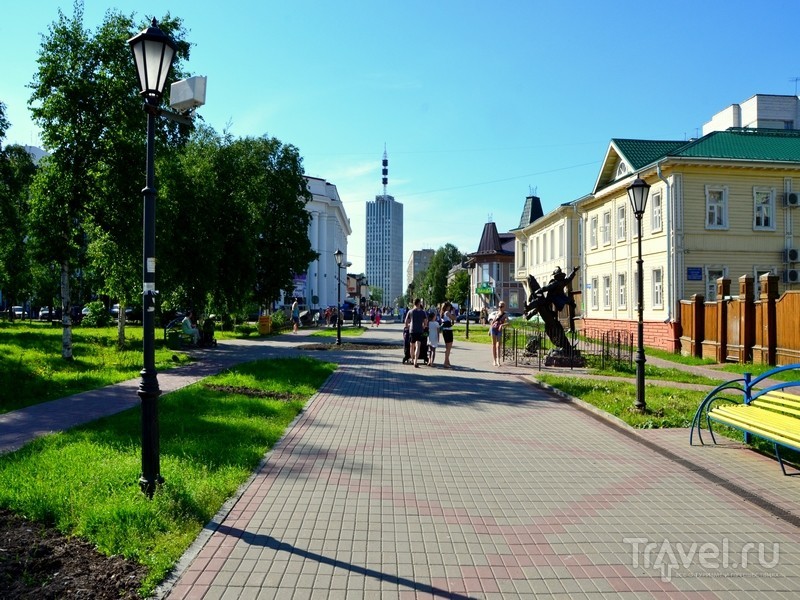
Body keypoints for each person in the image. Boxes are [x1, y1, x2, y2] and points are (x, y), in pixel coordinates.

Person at [404, 298, 428, 368]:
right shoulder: (423, 312)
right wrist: (424, 326)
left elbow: (406, 321)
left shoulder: (410, 311)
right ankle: (416, 361)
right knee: (418, 346)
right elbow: (425, 321)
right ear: (419, 303)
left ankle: (412, 359)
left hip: (412, 330)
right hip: (420, 330)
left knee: (412, 346)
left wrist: (407, 327)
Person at [490, 301, 508, 366]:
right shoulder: (497, 313)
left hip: (499, 330)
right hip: (493, 329)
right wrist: (489, 330)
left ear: (504, 307)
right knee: (493, 345)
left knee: (498, 346)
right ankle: (494, 360)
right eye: (499, 306)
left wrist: (502, 325)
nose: (500, 307)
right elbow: (492, 322)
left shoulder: (505, 315)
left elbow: (508, 323)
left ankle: (498, 360)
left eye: (502, 306)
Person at [440, 302, 455, 368]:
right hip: (448, 330)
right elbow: (454, 318)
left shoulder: (442, 313)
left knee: (447, 347)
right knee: (449, 348)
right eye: (449, 306)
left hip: (445, 330)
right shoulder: (447, 313)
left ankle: (447, 361)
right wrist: (453, 312)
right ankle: (445, 362)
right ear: (447, 307)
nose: (450, 308)